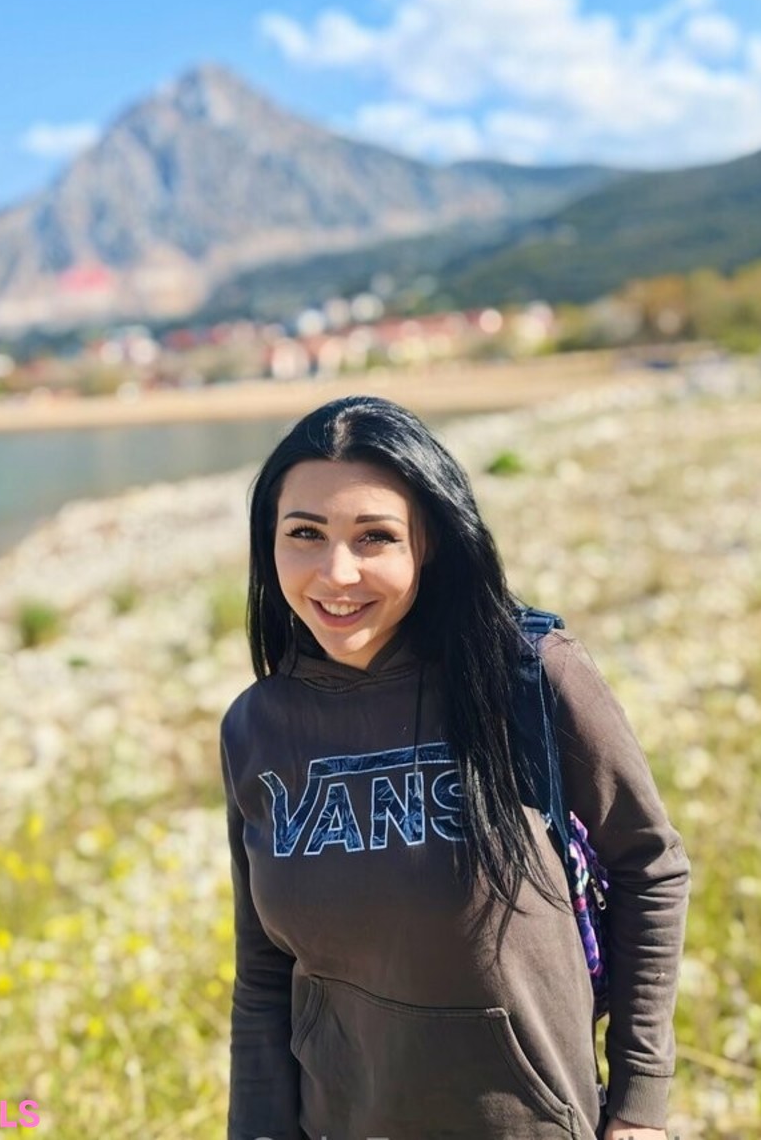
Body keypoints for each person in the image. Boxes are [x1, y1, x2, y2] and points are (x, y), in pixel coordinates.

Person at [219, 394, 690, 1140]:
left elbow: (650, 866)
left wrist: (640, 1104)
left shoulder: (528, 677)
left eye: (375, 537)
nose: (337, 573)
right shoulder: (256, 727)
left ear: (429, 543)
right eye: (305, 533)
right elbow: (263, 976)